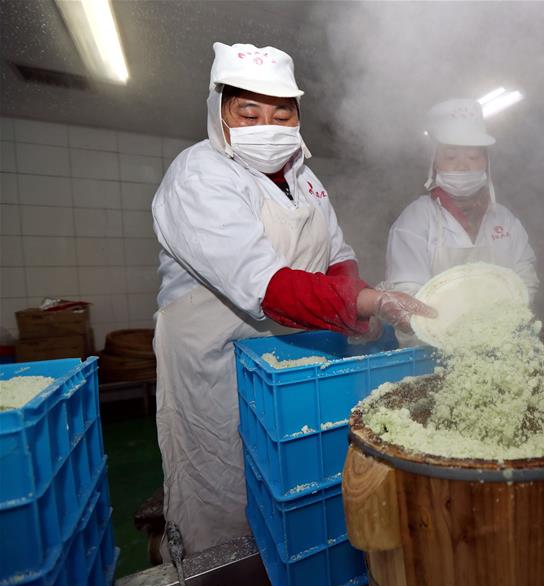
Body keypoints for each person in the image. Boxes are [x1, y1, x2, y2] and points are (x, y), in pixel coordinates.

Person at [151, 42, 433, 556]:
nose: (267, 126)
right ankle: (213, 565)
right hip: (215, 360)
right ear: (219, 113)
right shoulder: (200, 175)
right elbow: (266, 285)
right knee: (225, 480)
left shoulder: (304, 179)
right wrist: (364, 302)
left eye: (282, 115)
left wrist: (353, 311)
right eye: (249, 113)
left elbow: (337, 255)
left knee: (296, 472)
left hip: (293, 351)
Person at [383, 98, 538, 342]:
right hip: (431, 348)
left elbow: (524, 276)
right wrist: (455, 328)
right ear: (434, 162)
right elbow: (407, 292)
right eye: (451, 156)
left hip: (502, 341)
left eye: (474, 157)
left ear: (487, 162)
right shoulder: (415, 222)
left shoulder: (504, 220)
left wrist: (504, 319)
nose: (463, 166)